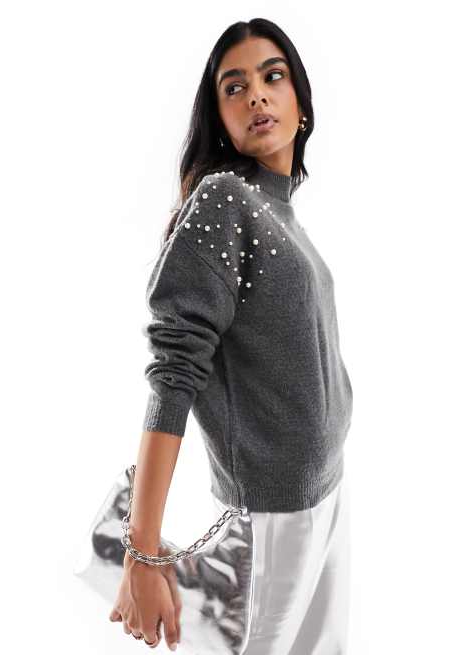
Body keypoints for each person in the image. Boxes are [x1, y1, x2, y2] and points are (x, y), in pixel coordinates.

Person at [109, 17, 353, 654]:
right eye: (235, 87)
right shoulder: (225, 199)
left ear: (301, 104)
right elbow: (175, 371)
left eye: (273, 77)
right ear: (219, 118)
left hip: (327, 491)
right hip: (276, 515)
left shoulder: (282, 212)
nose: (257, 96)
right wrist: (141, 551)